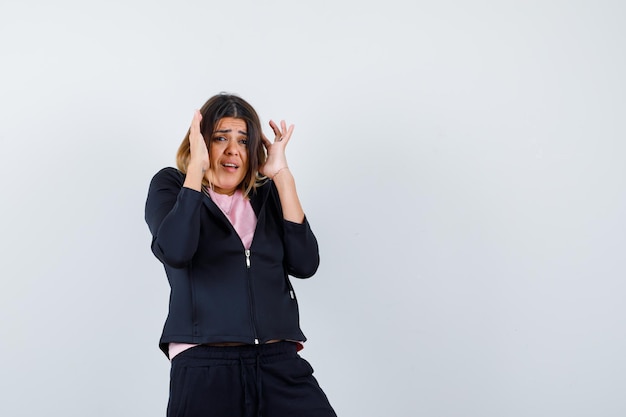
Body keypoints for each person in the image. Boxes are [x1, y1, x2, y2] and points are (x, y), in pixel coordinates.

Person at [144, 93, 337, 417]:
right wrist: (196, 172)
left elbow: (305, 264)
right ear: (201, 143)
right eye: (220, 137)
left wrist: (282, 177)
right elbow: (175, 251)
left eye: (243, 140)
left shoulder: (265, 194)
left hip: (279, 363)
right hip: (204, 366)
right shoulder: (173, 186)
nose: (233, 149)